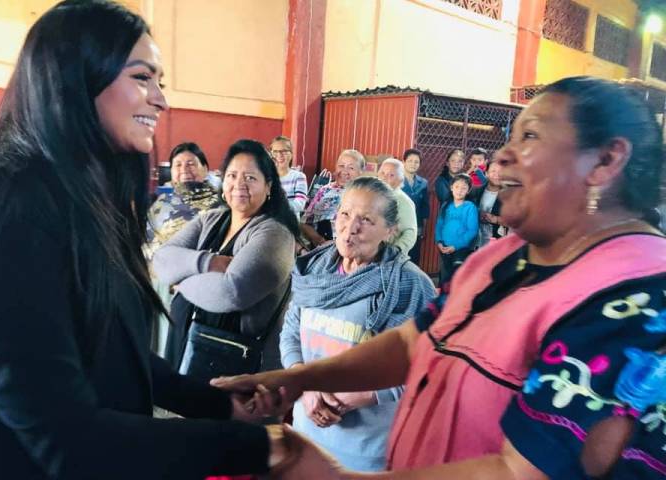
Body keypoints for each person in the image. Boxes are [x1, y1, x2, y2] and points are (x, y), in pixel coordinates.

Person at [213, 76, 666, 479]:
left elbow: (522, 471)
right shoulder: (502, 258)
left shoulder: (638, 300)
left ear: (605, 161)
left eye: (530, 136)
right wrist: (297, 380)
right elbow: (414, 342)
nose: (502, 156)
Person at [0, 2, 289, 478]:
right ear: (75, 78)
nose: (161, 101)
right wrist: (263, 448)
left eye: (160, 82)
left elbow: (107, 345)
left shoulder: (88, 200)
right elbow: (63, 435)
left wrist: (215, 402)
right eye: (142, 78)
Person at [279, 176, 435, 472]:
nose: (351, 227)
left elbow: (427, 367)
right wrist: (303, 384)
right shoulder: (313, 270)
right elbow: (290, 334)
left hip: (367, 453)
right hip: (305, 435)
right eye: (345, 214)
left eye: (366, 220)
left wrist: (359, 397)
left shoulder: (409, 285)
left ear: (390, 230)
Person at [153, 139, 298, 379]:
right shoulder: (211, 219)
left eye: (250, 177)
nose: (239, 184)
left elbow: (231, 292)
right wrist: (208, 263)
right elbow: (161, 260)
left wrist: (180, 281)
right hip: (187, 346)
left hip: (236, 365)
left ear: (269, 186)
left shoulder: (275, 233)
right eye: (232, 175)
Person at [145, 141, 221, 260]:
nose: (184, 169)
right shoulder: (161, 202)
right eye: (178, 165)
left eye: (191, 164)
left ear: (205, 169)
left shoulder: (220, 204)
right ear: (171, 171)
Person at [301, 149, 364, 247]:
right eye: (341, 166)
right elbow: (304, 223)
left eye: (351, 168)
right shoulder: (325, 190)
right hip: (320, 244)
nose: (345, 171)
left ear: (360, 173)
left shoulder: (363, 195)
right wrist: (318, 239)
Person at [435, 173, 478, 285]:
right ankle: (442, 296)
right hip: (444, 247)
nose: (459, 190)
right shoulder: (446, 205)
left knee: (456, 278)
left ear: (468, 191)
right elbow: (439, 225)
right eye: (457, 186)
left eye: (464, 188)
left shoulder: (470, 207)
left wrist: (455, 246)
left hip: (461, 249)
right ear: (451, 188)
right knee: (444, 278)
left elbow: (472, 230)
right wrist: (439, 242)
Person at [377, 158, 417, 254]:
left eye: (391, 175)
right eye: (382, 173)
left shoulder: (403, 200)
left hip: (388, 255)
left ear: (400, 179)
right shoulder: (374, 195)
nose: (384, 178)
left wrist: (394, 251)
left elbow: (410, 233)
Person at [401, 148, 430, 266]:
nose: (413, 164)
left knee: (413, 259)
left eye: (416, 162)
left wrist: (423, 228)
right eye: (410, 161)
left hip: (415, 226)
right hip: (398, 226)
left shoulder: (423, 183)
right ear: (404, 162)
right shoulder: (396, 179)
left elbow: (425, 207)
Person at [469, 159, 505, 248]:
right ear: (486, 173)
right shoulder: (475, 192)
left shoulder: (510, 195)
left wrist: (496, 219)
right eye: (493, 171)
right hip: (473, 243)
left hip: (495, 244)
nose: (497, 175)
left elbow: (517, 222)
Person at [270, 135, 308, 216]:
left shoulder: (298, 177)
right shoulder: (266, 177)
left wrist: (275, 206)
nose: (279, 155)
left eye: (284, 151)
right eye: (275, 151)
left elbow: (300, 204)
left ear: (291, 154)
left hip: (289, 221)